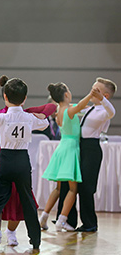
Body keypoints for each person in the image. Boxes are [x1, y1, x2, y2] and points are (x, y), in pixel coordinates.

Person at [0, 77, 57, 249]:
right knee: (27, 200)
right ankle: (35, 240)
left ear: (5, 97)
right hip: (22, 161)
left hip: (4, 159)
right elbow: (45, 121)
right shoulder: (29, 118)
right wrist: (40, 115)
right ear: (24, 99)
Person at [54, 78, 116, 232]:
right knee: (70, 183)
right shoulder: (90, 108)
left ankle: (90, 223)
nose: (92, 92)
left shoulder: (104, 111)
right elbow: (71, 109)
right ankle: (67, 218)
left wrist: (101, 100)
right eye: (92, 88)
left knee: (86, 187)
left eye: (97, 90)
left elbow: (112, 112)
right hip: (78, 146)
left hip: (91, 149)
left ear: (106, 96)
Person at [39, 82, 102, 232]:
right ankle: (62, 220)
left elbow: (81, 107)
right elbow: (80, 106)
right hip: (71, 148)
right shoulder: (69, 111)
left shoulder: (59, 110)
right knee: (73, 189)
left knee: (59, 188)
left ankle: (44, 216)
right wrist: (91, 95)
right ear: (66, 94)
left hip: (61, 147)